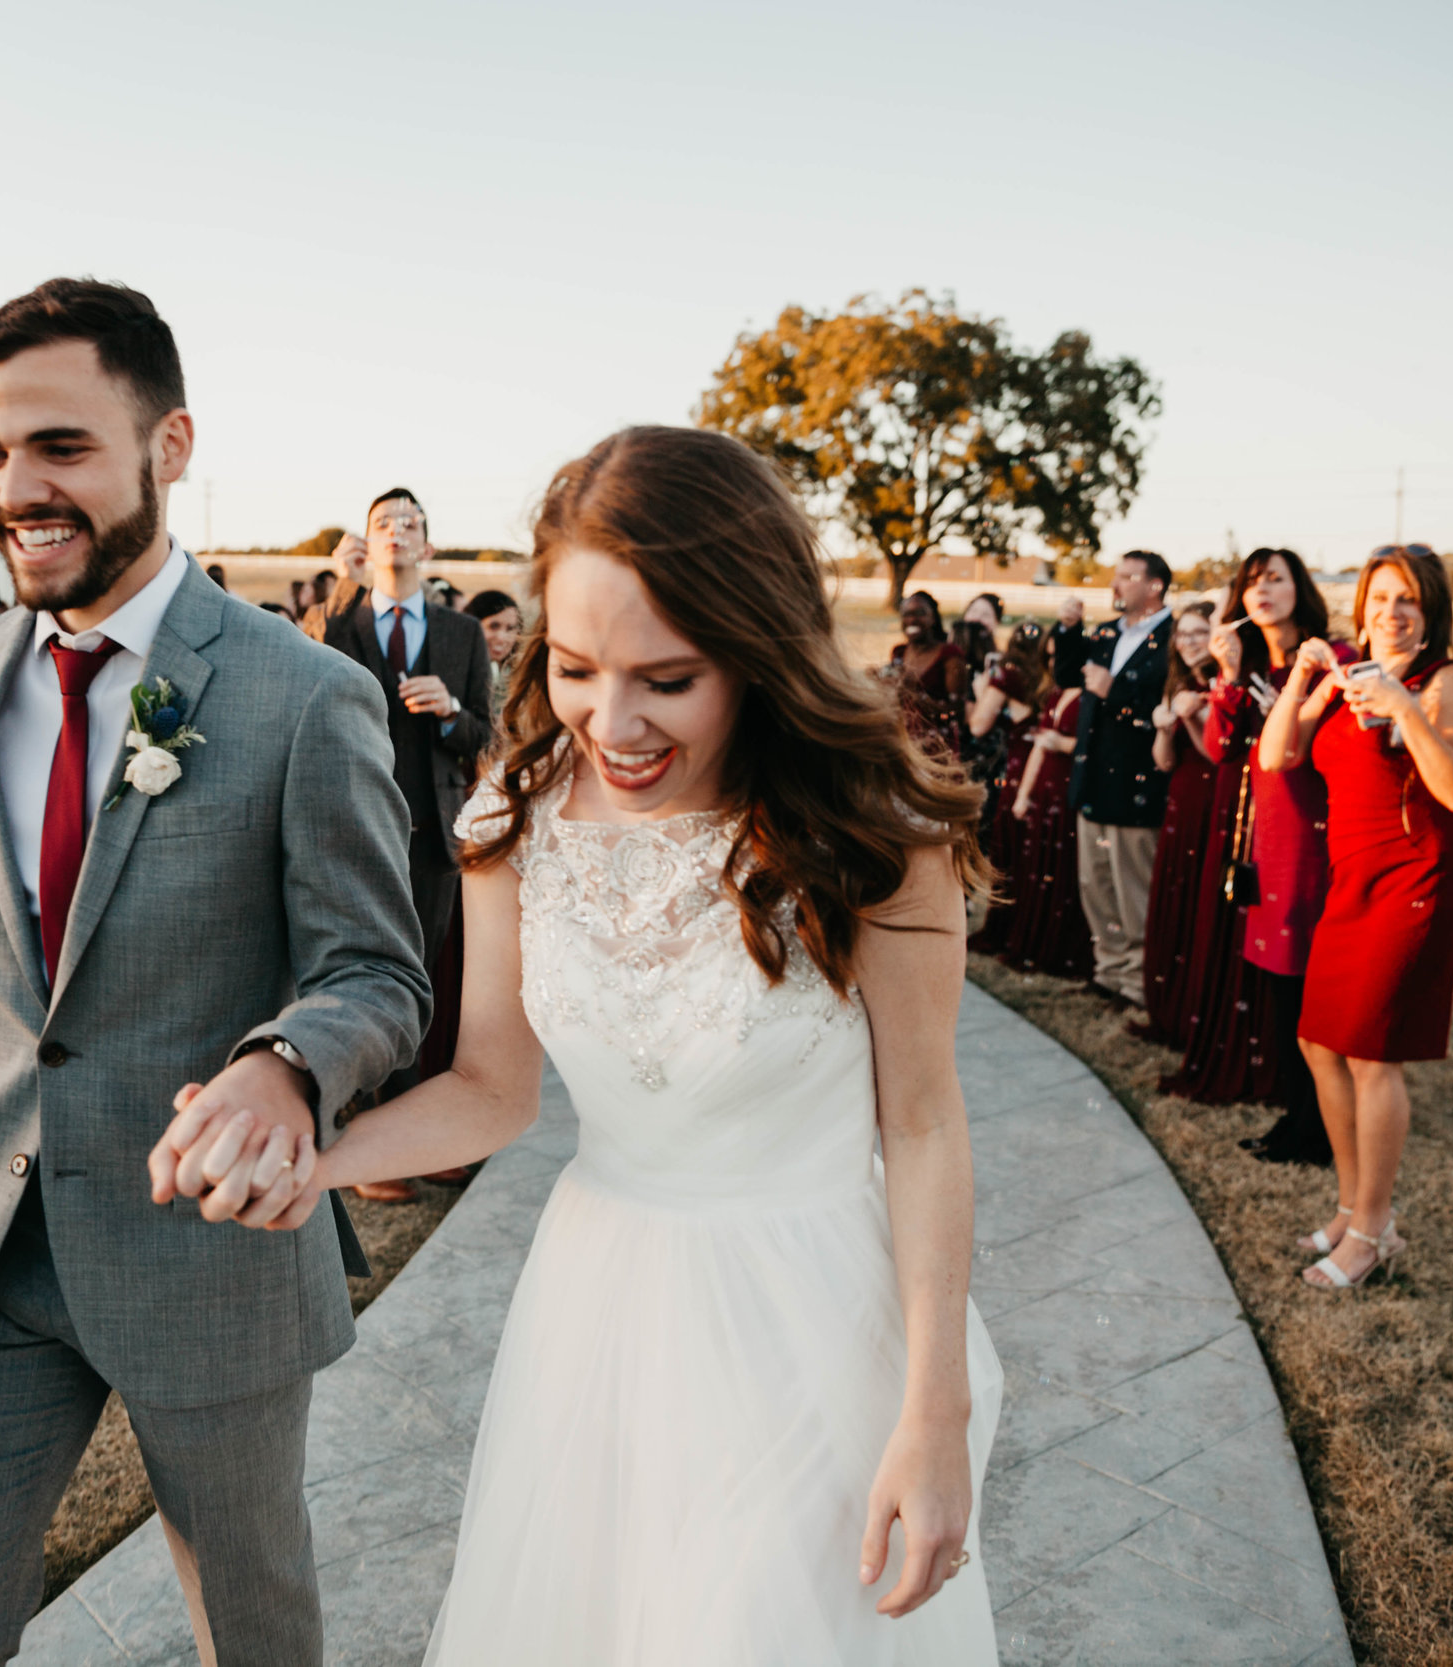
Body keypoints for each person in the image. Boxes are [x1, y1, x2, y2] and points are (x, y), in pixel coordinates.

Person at [171, 423, 1002, 1660]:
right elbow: (494, 1089)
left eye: (666, 679)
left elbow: (923, 1122)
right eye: (573, 667)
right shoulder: (517, 814)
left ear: (759, 649)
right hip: (597, 1313)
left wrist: (931, 1410)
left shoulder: (874, 836)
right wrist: (311, 1154)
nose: (610, 721)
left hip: (815, 1326)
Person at [0, 276, 428, 1666]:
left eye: (62, 447)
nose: (17, 488)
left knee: (253, 1628)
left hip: (211, 1257)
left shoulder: (302, 691)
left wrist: (283, 1064)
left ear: (173, 445)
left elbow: (379, 970)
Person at [1264, 544, 1453, 1290]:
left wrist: (1405, 706)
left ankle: (1369, 1233)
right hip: (1350, 879)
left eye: (1408, 599)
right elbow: (1273, 757)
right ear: (1362, 605)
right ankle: (1355, 1207)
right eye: (1380, 597)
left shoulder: (1444, 680)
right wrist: (1301, 679)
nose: (1391, 611)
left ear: (1430, 612)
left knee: (1370, 1052)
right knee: (1318, 1042)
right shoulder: (1340, 669)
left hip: (1419, 875)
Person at [320, 488, 495, 1203]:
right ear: (366, 542)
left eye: (410, 522)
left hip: (435, 839)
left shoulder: (461, 634)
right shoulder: (341, 621)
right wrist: (338, 589)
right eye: (383, 522)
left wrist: (453, 711)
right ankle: (372, 1148)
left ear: (427, 545)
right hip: (362, 829)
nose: (397, 530)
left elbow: (485, 735)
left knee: (424, 982)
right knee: (369, 977)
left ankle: (426, 1134)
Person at [1162, 550, 1339, 1167]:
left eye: (1276, 579)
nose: (1262, 591)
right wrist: (1228, 673)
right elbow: (1219, 745)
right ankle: (1297, 1116)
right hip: (1259, 836)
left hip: (1309, 833)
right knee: (1273, 983)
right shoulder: (1248, 661)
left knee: (1302, 984)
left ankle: (1318, 1126)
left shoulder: (1324, 658)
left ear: (1299, 589)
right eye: (1252, 582)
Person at [1068, 550, 1174, 1008]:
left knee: (1134, 890)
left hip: (1136, 783)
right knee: (1097, 885)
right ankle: (1108, 971)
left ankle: (1136, 983)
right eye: (1116, 576)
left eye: (1128, 577)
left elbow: (1159, 707)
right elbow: (1063, 675)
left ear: (1155, 586)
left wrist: (1116, 693)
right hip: (1094, 778)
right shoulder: (1108, 633)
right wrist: (1068, 631)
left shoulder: (1173, 639)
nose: (1116, 585)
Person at [1135, 602, 1218, 1043]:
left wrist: (1193, 714)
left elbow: (1217, 755)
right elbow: (1163, 763)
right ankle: (1169, 1007)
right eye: (1182, 634)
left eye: (1199, 632)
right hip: (1180, 804)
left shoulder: (1222, 686)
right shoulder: (1178, 684)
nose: (1188, 641)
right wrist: (1164, 729)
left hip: (1215, 805)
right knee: (1176, 898)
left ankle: (1198, 1011)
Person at [966, 621, 1050, 956]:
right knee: (1036, 852)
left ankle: (1006, 927)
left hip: (1018, 765)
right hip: (1048, 765)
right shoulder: (1047, 675)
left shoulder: (1008, 675)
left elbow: (978, 724)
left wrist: (980, 692)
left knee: (1009, 849)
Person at [1004, 662, 1092, 979]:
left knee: (1063, 870)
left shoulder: (1093, 696)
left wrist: (1064, 745)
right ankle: (1033, 943)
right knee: (1038, 869)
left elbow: (1096, 748)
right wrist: (1023, 794)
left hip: (1071, 789)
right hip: (1045, 789)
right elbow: (1039, 747)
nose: (1057, 661)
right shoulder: (1057, 694)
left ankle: (1060, 951)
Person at [887, 590, 967, 759]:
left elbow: (957, 712)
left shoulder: (950, 655)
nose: (912, 620)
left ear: (933, 618)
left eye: (920, 613)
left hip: (938, 748)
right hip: (903, 744)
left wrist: (916, 693)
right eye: (907, 614)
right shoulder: (899, 652)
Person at [463, 587, 523, 719]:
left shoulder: (522, 679)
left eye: (510, 628)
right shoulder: (457, 675)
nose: (502, 637)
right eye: (494, 626)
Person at [1048, 592, 1088, 691]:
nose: (1069, 610)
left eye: (1074, 607)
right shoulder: (1053, 632)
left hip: (1072, 686)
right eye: (1067, 606)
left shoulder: (1082, 638)